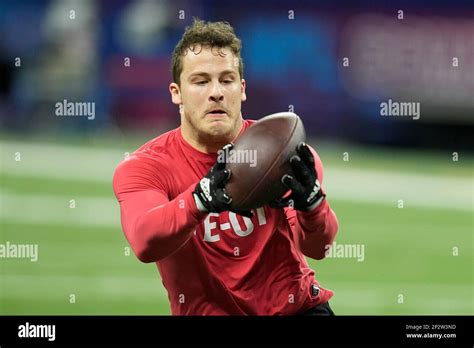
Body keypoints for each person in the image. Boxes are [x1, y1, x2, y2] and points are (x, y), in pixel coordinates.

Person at [113, 19, 339, 315]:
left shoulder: (282, 152)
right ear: (176, 92)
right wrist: (201, 198)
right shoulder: (145, 166)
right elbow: (144, 242)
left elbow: (317, 248)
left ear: (242, 89)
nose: (216, 92)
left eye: (227, 79)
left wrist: (313, 206)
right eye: (201, 81)